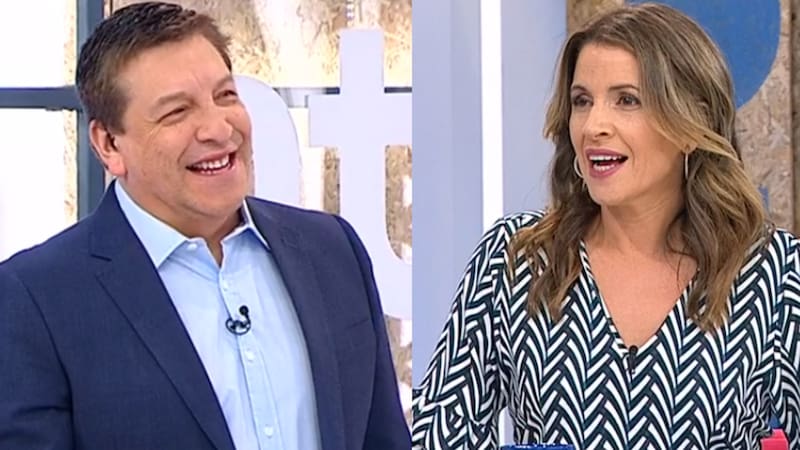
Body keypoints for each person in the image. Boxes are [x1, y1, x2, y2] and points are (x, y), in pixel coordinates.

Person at [0, 2, 410, 449]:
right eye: (177, 112)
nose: (217, 128)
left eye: (226, 96)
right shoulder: (35, 299)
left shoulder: (332, 249)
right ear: (109, 144)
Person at [412, 3, 800, 449]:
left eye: (626, 100)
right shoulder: (516, 260)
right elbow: (437, 435)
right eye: (582, 101)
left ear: (691, 124)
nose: (594, 126)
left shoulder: (774, 274)